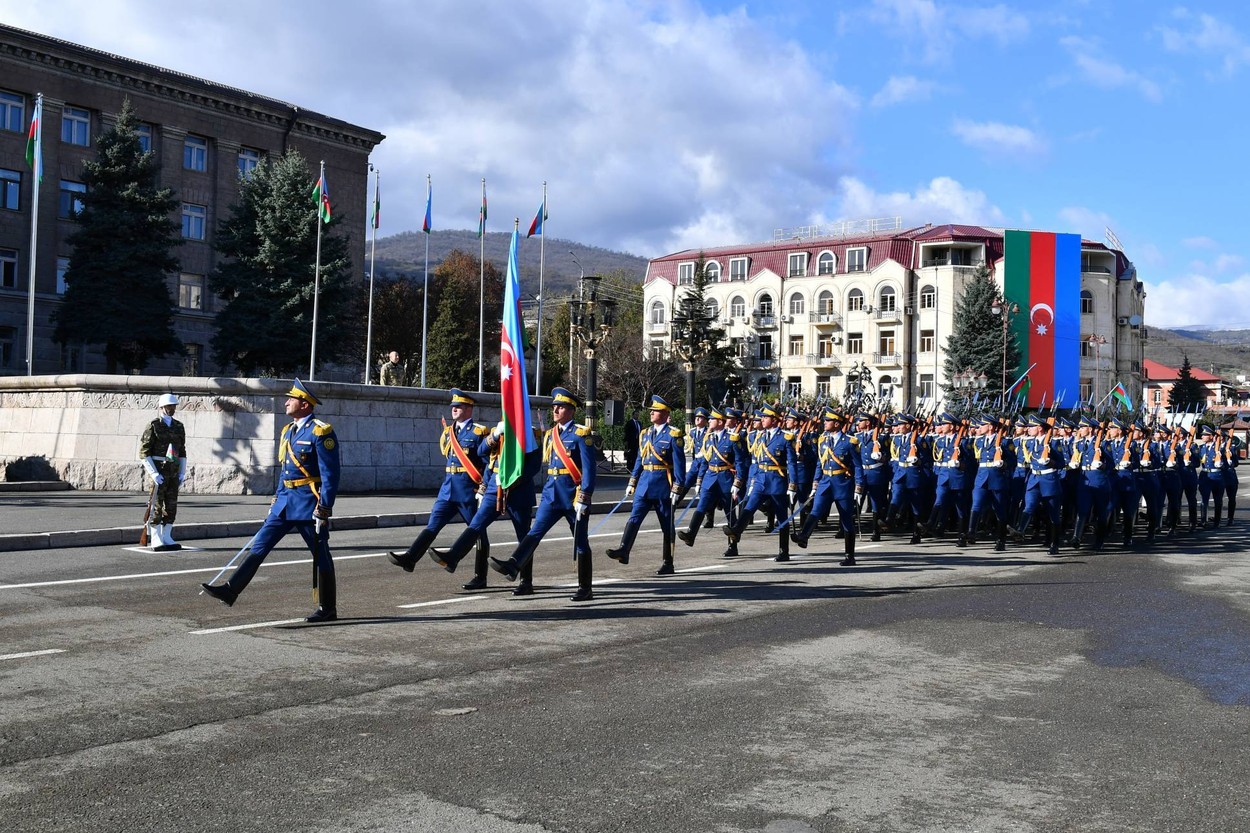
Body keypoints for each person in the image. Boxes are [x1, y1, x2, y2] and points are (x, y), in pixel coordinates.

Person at [201, 379, 341, 622]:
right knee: (260, 545)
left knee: (321, 554)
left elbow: (331, 474)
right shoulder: (288, 430)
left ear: (305, 404)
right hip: (285, 502)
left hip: (309, 504)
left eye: (292, 399)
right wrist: (276, 498)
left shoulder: (321, 431)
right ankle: (231, 590)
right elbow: (286, 470)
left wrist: (324, 507)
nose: (286, 402)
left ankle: (328, 608)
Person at [490, 387, 597, 601]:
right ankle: (513, 565)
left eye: (561, 406)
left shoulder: (580, 434)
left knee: (580, 541)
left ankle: (585, 588)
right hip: (551, 495)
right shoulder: (550, 435)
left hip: (572, 496)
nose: (555, 410)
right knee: (534, 533)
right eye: (554, 406)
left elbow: (589, 469)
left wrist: (584, 496)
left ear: (571, 410)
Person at [430, 423, 543, 596]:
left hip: (518, 491)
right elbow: (484, 452)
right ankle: (453, 557)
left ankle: (525, 581)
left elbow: (534, 465)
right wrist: (496, 434)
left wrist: (512, 480)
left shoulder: (530, 431)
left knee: (523, 536)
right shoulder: (500, 428)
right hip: (493, 487)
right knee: (476, 524)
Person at [387, 389, 490, 575]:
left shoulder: (478, 432)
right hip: (448, 489)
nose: (454, 409)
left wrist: (484, 488)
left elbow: (488, 463)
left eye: (459, 406)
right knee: (433, 525)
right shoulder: (449, 432)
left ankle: (479, 576)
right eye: (453, 406)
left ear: (469, 409)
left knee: (477, 532)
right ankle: (410, 557)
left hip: (468, 490)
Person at [607, 394, 686, 575]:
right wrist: (632, 481)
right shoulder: (645, 434)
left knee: (667, 524)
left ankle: (668, 562)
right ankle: (624, 550)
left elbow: (679, 464)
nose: (651, 413)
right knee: (634, 518)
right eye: (651, 410)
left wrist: (677, 487)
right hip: (644, 484)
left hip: (663, 485)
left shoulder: (674, 435)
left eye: (655, 411)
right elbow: (639, 460)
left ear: (665, 414)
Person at [723, 403, 796, 562]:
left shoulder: (785, 437)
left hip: (777, 480)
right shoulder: (759, 436)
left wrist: (793, 485)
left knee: (782, 517)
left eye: (766, 417)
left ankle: (784, 551)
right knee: (749, 506)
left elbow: (791, 463)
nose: (762, 420)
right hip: (761, 479)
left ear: (775, 420)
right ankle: (736, 531)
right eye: (762, 417)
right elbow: (752, 458)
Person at [790, 409, 862, 565]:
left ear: (836, 423)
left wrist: (859, 487)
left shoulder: (850, 442)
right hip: (825, 482)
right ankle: (804, 536)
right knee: (816, 510)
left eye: (827, 421)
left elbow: (858, 466)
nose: (824, 423)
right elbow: (819, 462)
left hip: (842, 482)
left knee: (846, 519)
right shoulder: (823, 440)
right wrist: (816, 482)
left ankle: (850, 556)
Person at [677, 407, 745, 550]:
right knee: (702, 506)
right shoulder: (709, 438)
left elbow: (740, 462)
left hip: (726, 478)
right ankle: (691, 534)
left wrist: (738, 481)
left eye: (712, 419)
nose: (710, 421)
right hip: (710, 477)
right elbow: (705, 461)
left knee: (729, 512)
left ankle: (733, 546)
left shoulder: (732, 438)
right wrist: (700, 479)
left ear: (720, 421)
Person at [139, 392, 187, 551]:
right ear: (161, 407)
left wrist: (181, 472)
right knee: (156, 505)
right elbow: (144, 452)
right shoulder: (153, 425)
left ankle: (167, 536)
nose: (172, 409)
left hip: (173, 470)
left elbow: (182, 451)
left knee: (171, 504)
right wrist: (153, 473)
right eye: (169, 406)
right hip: (159, 470)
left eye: (173, 406)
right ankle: (156, 538)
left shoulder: (179, 426)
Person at [623, 409, 643, 473]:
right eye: (636, 415)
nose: (637, 416)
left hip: (638, 442)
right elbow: (627, 432)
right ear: (633, 415)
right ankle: (629, 468)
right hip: (631, 442)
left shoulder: (639, 423)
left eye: (638, 415)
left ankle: (635, 468)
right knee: (630, 455)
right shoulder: (630, 423)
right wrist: (626, 441)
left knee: (636, 455)